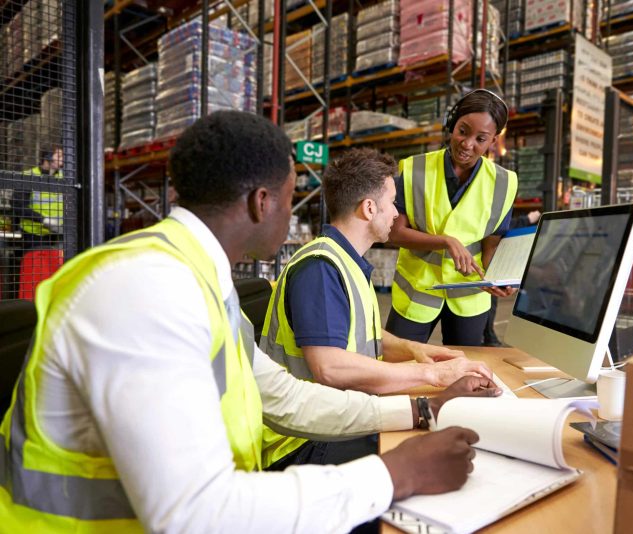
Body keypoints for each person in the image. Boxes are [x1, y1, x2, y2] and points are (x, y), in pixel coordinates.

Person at [0, 111, 502, 533]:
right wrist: (393, 475)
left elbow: (283, 396)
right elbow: (192, 513)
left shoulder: (201, 277)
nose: (294, 210)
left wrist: (421, 409)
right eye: (289, 196)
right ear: (261, 202)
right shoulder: (144, 287)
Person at [260, 147, 493, 467]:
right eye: (391, 203)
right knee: (443, 448)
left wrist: (414, 350)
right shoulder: (320, 268)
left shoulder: (344, 261)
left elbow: (361, 334)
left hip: (336, 421)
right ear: (369, 208)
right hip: (303, 442)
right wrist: (432, 374)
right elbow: (330, 367)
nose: (397, 213)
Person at [387, 89, 518, 346]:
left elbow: (492, 239)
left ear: (493, 141)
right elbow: (394, 233)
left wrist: (496, 276)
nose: (468, 144)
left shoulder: (505, 182)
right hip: (417, 290)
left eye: (480, 138)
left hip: (469, 295)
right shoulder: (413, 168)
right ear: (452, 125)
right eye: (462, 131)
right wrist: (445, 241)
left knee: (464, 372)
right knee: (395, 362)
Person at [481, 209, 541, 346]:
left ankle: (489, 335)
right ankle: (489, 336)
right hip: (485, 265)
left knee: (490, 301)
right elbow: (502, 226)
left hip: (490, 264)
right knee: (490, 301)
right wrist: (526, 220)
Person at [13, 147, 64, 251]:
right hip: (33, 236)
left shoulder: (64, 178)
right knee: (36, 266)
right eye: (59, 156)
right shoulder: (28, 176)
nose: (62, 159)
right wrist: (43, 220)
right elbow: (18, 205)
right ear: (48, 158)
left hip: (58, 235)